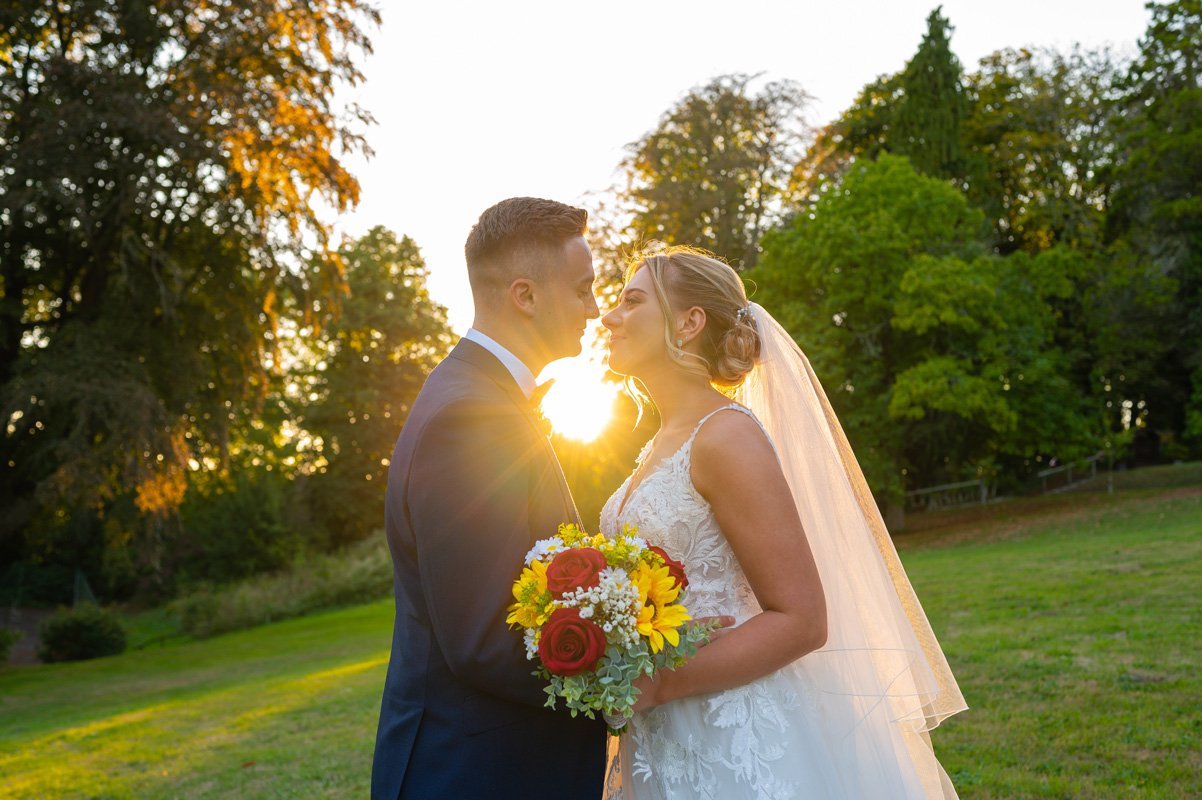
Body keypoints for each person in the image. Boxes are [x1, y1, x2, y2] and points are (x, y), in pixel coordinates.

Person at [599, 246, 966, 799]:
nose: (609, 317)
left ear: (689, 322)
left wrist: (660, 681)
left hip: (730, 734)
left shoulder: (725, 436)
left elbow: (802, 619)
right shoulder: (655, 445)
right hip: (659, 738)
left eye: (631, 302)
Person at [370, 197, 608, 799]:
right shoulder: (472, 415)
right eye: (583, 290)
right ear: (524, 296)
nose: (595, 309)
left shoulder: (475, 393)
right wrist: (628, 682)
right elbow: (482, 639)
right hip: (481, 772)